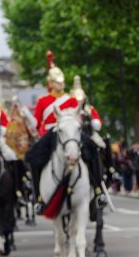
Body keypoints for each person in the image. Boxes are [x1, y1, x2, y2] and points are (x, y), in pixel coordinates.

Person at [25, 51, 78, 214]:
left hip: (68, 132)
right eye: (57, 82)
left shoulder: (71, 99)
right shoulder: (43, 101)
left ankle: (97, 191)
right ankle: (39, 198)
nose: (60, 84)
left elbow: (77, 118)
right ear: (51, 83)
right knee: (33, 158)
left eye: (61, 82)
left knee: (91, 150)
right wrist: (26, 115)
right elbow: (36, 124)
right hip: (50, 134)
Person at [71, 75, 107, 208]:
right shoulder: (69, 111)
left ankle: (100, 187)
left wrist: (93, 121)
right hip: (74, 140)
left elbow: (98, 124)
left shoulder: (89, 109)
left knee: (99, 150)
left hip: (89, 138)